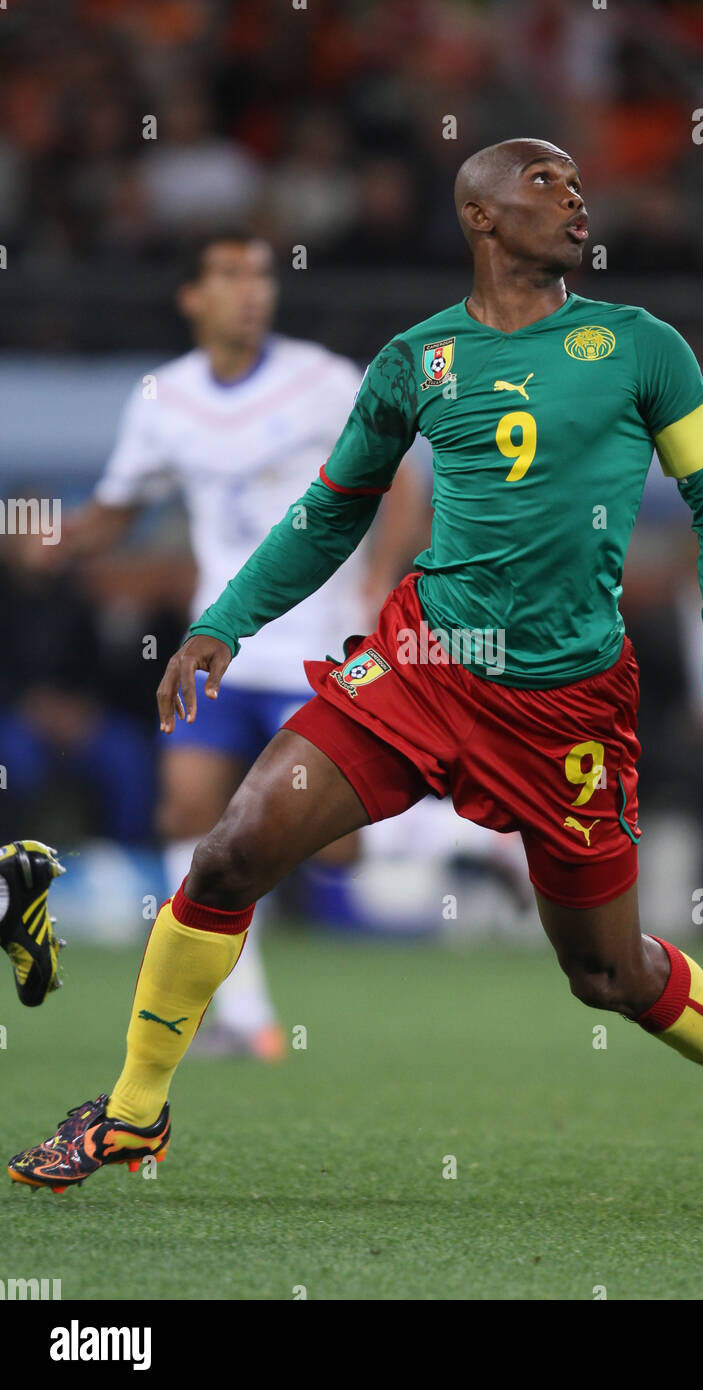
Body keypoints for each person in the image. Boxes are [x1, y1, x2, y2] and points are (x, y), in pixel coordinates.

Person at [8, 140, 703, 1211]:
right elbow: (336, 507)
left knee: (603, 972)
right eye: (544, 183)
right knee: (231, 849)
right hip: (421, 664)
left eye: (577, 184)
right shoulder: (415, 360)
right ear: (480, 217)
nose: (573, 198)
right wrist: (224, 621)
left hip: (565, 699)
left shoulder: (639, 345)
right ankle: (133, 1111)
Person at [14, 232, 420, 1059]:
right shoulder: (164, 399)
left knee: (337, 848)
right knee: (187, 812)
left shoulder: (322, 380)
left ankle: (481, 834)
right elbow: (117, 510)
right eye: (231, 276)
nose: (252, 291)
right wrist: (47, 536)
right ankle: (240, 1019)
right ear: (191, 297)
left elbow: (404, 480)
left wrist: (378, 582)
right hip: (221, 646)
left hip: (320, 647)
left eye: (262, 276)